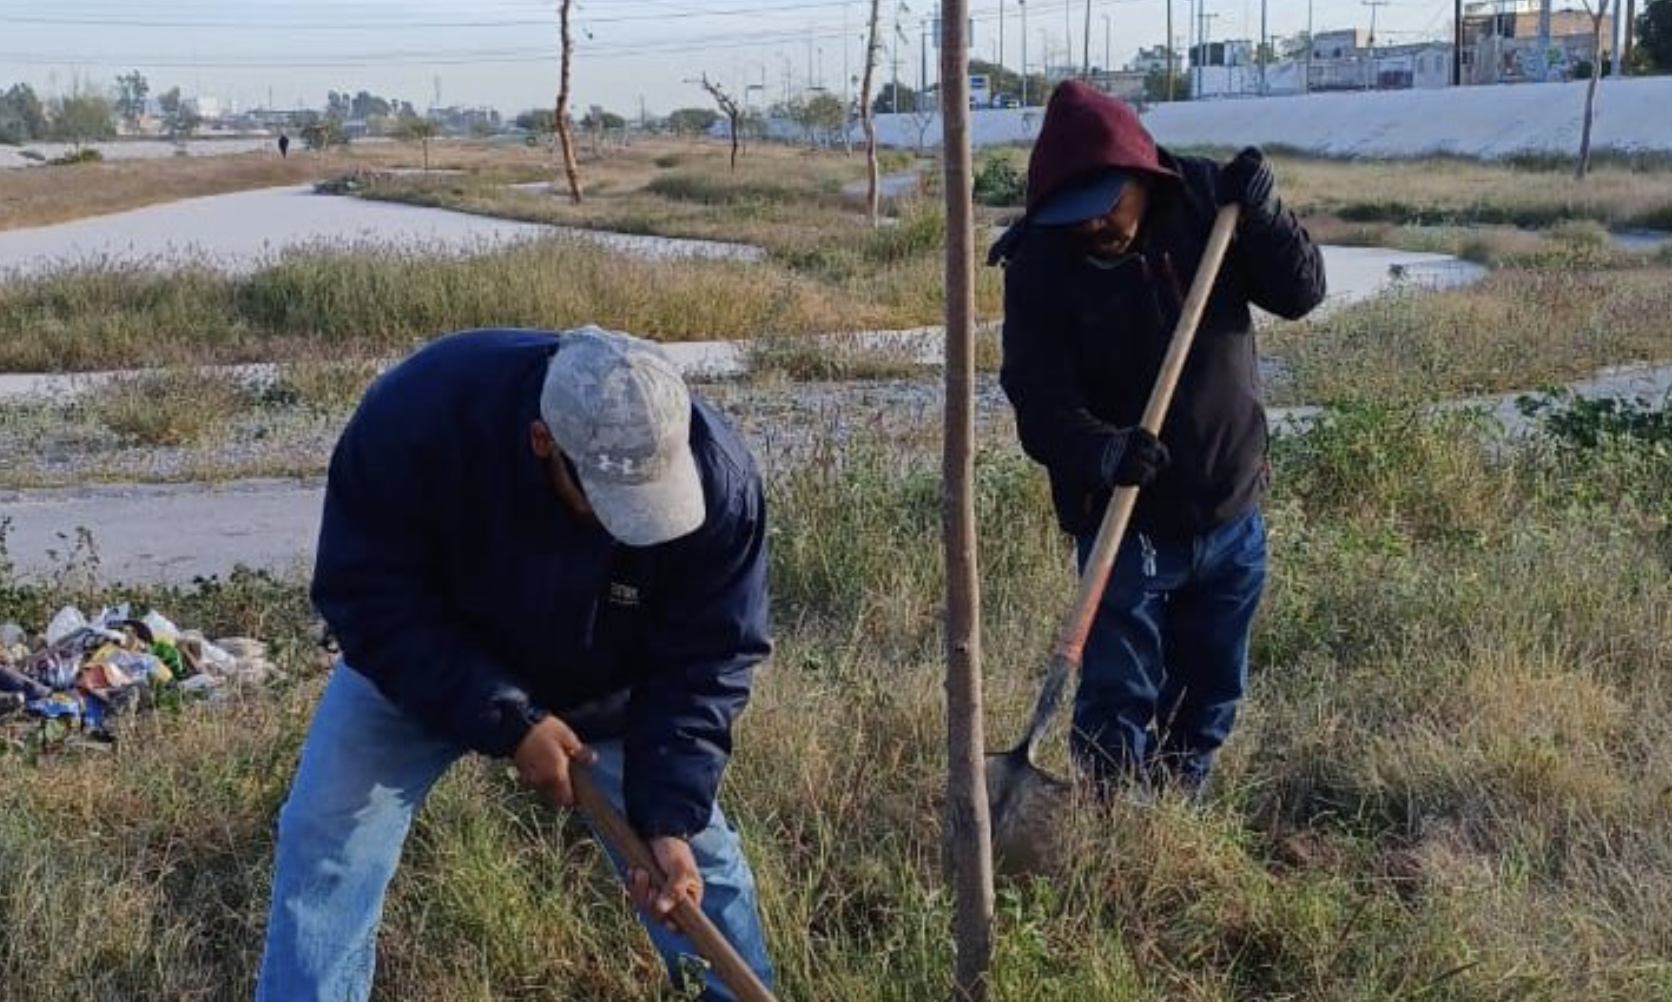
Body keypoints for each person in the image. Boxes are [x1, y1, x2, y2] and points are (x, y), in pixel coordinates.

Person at [255, 327, 775, 1002]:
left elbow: (709, 657)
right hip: (427, 663)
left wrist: (669, 815)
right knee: (325, 838)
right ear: (542, 442)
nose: (631, 531)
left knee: (698, 870)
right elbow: (366, 596)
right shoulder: (419, 419)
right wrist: (509, 719)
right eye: (609, 505)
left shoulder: (720, 484)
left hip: (609, 684)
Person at [989, 81, 1327, 799]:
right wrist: (1101, 450)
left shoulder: (1209, 203)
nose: (1095, 228)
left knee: (1210, 685)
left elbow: (1301, 294)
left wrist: (1267, 219)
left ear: (1143, 179)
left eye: (1108, 207)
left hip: (1230, 501)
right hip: (1125, 520)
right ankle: (1115, 817)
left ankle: (1178, 806)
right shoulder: (1041, 263)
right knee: (1120, 690)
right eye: (1076, 218)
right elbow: (1038, 398)